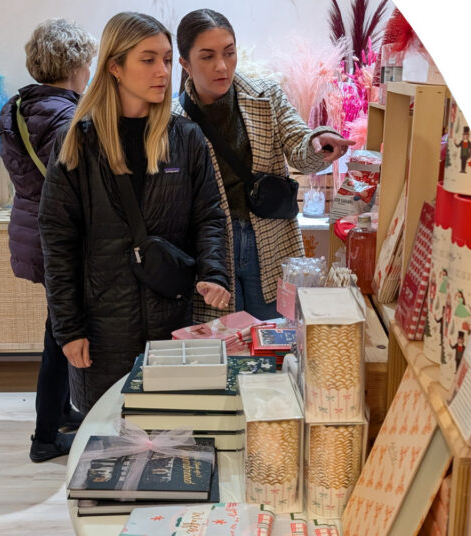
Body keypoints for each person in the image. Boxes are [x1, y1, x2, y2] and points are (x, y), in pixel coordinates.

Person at [39, 12, 231, 413]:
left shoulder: (186, 138)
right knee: (109, 434)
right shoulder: (77, 141)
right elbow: (58, 241)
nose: (162, 71)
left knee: (172, 429)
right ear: (115, 66)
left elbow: (209, 216)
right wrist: (68, 328)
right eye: (148, 60)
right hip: (102, 326)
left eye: (165, 59)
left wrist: (214, 272)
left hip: (172, 322)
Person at [174, 9, 354, 322]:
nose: (222, 66)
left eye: (229, 53)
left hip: (270, 239)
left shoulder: (265, 95)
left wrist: (319, 141)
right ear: (185, 64)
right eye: (207, 57)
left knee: (276, 336)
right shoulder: (174, 119)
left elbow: (299, 145)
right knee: (226, 345)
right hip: (213, 249)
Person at [0, 18, 96, 463]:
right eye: (88, 62)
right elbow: (75, 190)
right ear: (76, 65)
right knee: (61, 334)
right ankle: (44, 438)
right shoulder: (66, 119)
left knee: (56, 325)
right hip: (60, 240)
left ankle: (61, 410)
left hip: (30, 231)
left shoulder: (16, 108)